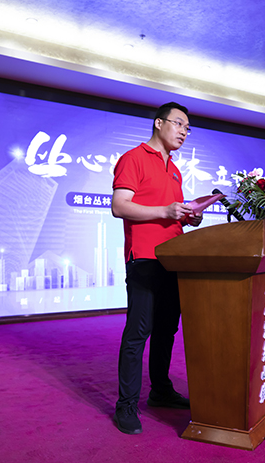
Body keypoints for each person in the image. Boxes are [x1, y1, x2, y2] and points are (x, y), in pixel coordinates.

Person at [111, 102, 203, 435]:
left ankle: (161, 391)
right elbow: (119, 206)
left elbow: (169, 215)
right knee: (138, 333)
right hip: (145, 259)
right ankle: (126, 405)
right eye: (178, 124)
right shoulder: (133, 158)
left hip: (173, 258)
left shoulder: (175, 169)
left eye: (187, 128)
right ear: (158, 123)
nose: (183, 132)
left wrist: (188, 216)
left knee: (166, 330)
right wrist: (166, 211)